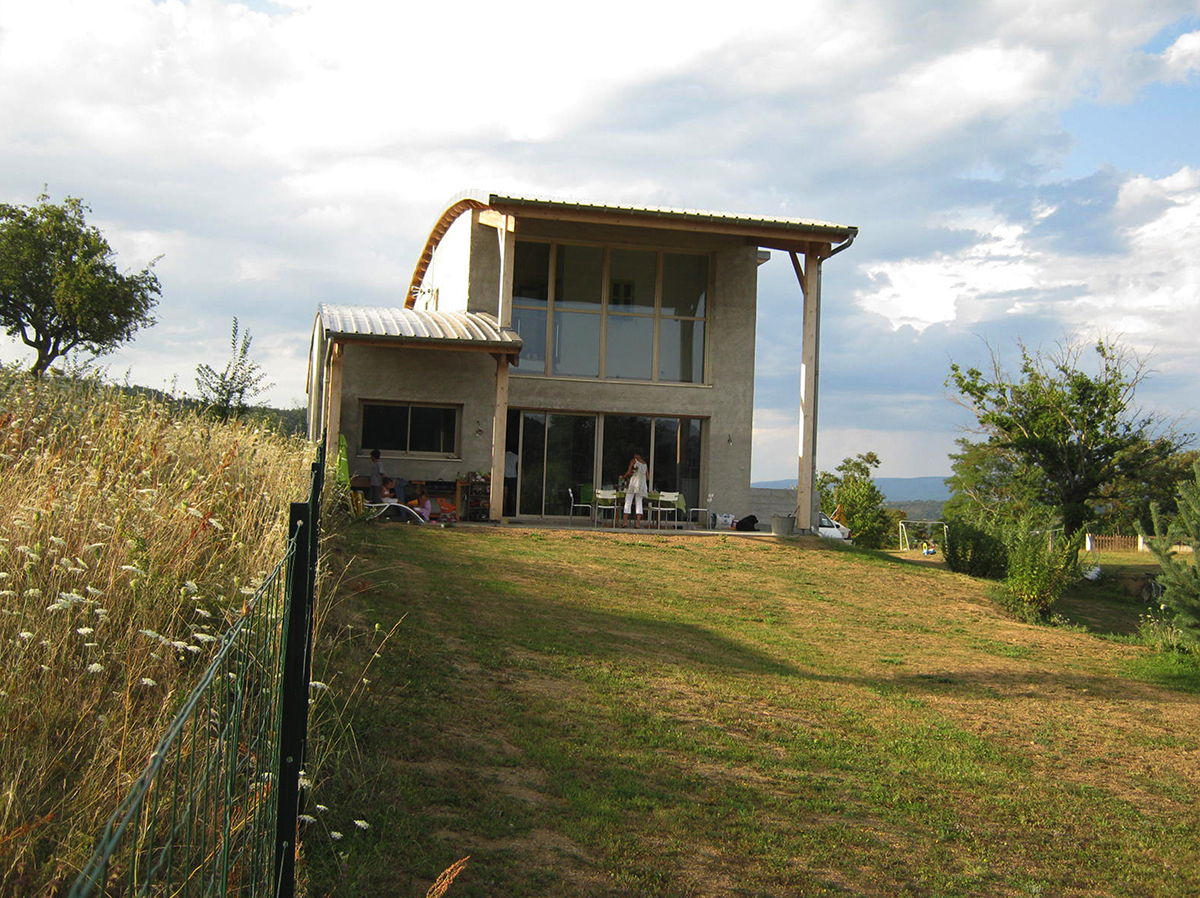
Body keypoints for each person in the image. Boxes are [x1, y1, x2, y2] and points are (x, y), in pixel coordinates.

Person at [621, 448, 649, 528]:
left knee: (628, 501)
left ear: (637, 455)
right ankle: (637, 523)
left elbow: (629, 472)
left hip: (634, 483)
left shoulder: (634, 461)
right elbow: (647, 477)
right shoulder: (645, 464)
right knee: (639, 502)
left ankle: (625, 522)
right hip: (642, 484)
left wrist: (623, 476)